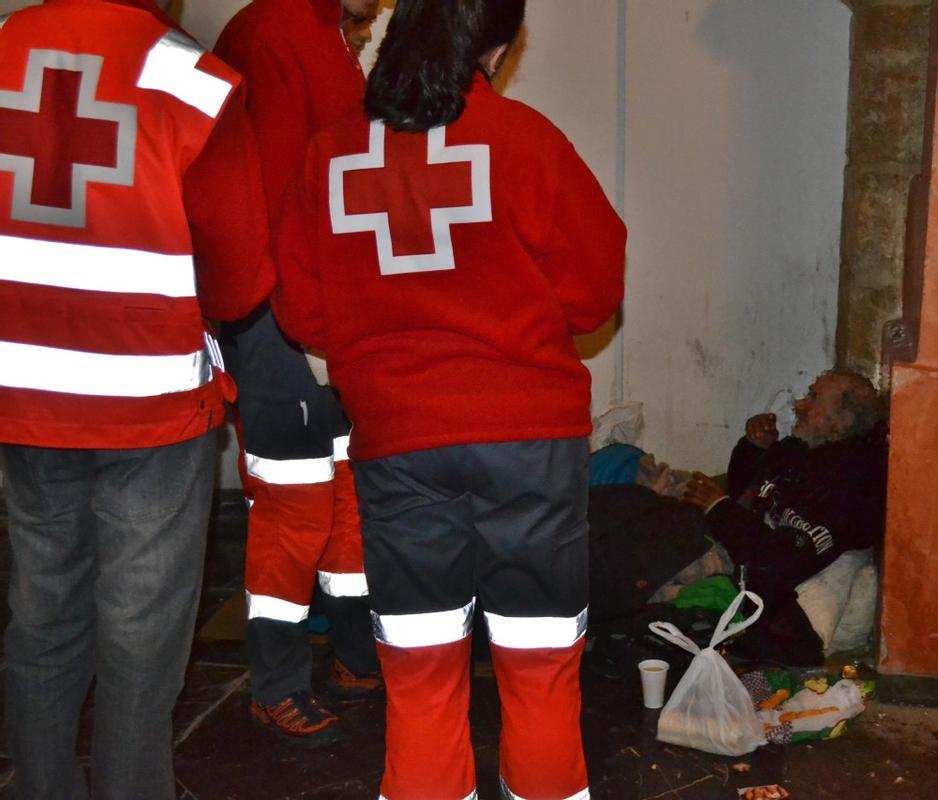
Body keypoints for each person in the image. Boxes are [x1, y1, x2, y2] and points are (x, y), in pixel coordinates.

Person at [272, 0, 626, 795]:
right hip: (530, 446)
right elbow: (595, 291)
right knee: (539, 672)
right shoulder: (528, 141)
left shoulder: (327, 153)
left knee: (421, 673)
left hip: (398, 447)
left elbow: (300, 311)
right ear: (495, 48)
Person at [0, 0, 273, 797]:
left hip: (22, 391)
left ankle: (41, 785)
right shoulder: (189, 80)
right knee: (141, 625)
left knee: (42, 606)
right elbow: (242, 269)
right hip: (147, 403)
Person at [213, 0, 383, 744]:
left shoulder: (319, 37)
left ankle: (354, 656)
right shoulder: (278, 32)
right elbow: (284, 195)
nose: (375, 14)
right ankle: (277, 681)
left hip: (327, 311)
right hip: (283, 310)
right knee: (295, 509)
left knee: (348, 493)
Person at [681, 370, 888, 666]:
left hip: (725, 554)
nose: (799, 405)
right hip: (716, 530)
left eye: (813, 399)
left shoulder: (847, 485)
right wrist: (755, 448)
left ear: (840, 425)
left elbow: (779, 559)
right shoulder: (800, 449)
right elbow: (749, 492)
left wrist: (719, 508)